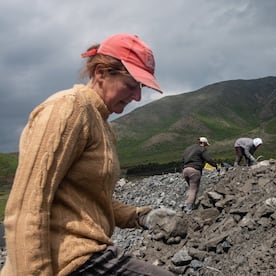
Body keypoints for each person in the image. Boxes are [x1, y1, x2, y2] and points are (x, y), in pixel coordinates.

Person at [0, 33, 183, 276]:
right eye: (131, 85)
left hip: (87, 255)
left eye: (141, 87)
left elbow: (89, 200)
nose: (137, 96)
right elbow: (27, 205)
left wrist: (141, 217)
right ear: (101, 73)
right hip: (67, 261)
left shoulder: (101, 123)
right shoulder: (69, 109)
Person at [182, 137, 219, 213]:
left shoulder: (188, 149)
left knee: (191, 188)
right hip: (194, 170)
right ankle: (188, 208)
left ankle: (189, 205)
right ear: (203, 143)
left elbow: (183, 159)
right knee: (193, 189)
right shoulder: (201, 149)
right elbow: (208, 159)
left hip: (185, 170)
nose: (206, 147)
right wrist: (215, 165)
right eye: (206, 145)